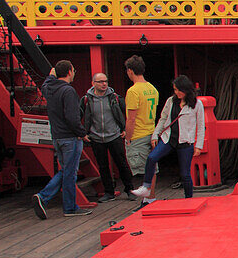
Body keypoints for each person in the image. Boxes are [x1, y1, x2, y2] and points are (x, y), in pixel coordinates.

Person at [33, 60, 92, 218]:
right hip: (70, 137)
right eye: (73, 70)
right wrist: (82, 133)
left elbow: (46, 83)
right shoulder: (69, 91)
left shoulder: (48, 88)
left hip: (57, 136)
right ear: (69, 72)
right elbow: (72, 118)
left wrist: (51, 76)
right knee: (69, 173)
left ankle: (49, 199)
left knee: (66, 171)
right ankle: (61, 204)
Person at [131, 75, 205, 201]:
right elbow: (163, 118)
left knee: (185, 174)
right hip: (169, 138)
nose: (177, 93)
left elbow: (201, 125)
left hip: (185, 141)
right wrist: (155, 134)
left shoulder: (197, 104)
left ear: (186, 89)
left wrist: (198, 146)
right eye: (175, 90)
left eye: (179, 90)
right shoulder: (171, 101)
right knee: (152, 157)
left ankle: (189, 199)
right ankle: (146, 186)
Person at [81, 72, 136, 202]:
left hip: (115, 135)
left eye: (105, 81)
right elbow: (79, 115)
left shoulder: (114, 97)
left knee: (122, 164)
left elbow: (129, 111)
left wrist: (124, 129)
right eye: (100, 82)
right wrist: (83, 133)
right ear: (93, 83)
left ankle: (130, 190)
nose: (104, 84)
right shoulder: (86, 99)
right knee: (103, 166)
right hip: (96, 137)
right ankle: (109, 192)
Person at [123, 55, 158, 183]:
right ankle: (150, 198)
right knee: (152, 169)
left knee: (142, 172)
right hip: (151, 132)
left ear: (130, 71)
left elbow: (131, 119)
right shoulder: (152, 89)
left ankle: (147, 199)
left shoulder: (133, 91)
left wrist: (128, 138)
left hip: (138, 135)